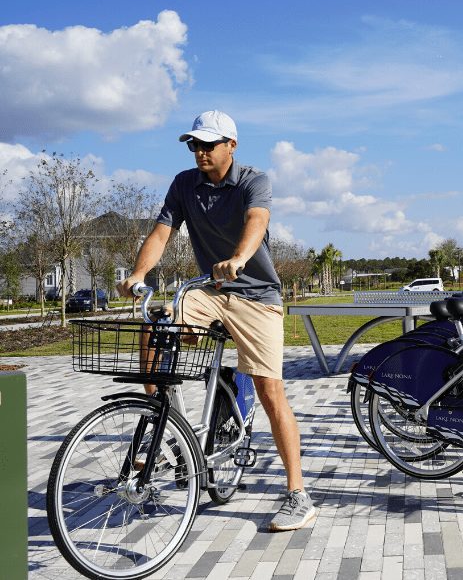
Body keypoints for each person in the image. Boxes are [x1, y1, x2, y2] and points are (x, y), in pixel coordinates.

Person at [118, 110, 315, 532]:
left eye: (209, 144)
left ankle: (298, 494)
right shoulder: (183, 184)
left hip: (257, 297)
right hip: (208, 292)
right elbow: (161, 233)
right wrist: (138, 274)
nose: (200, 152)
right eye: (195, 144)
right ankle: (159, 425)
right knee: (155, 327)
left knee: (269, 390)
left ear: (231, 145)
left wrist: (239, 258)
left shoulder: (253, 181)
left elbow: (257, 220)